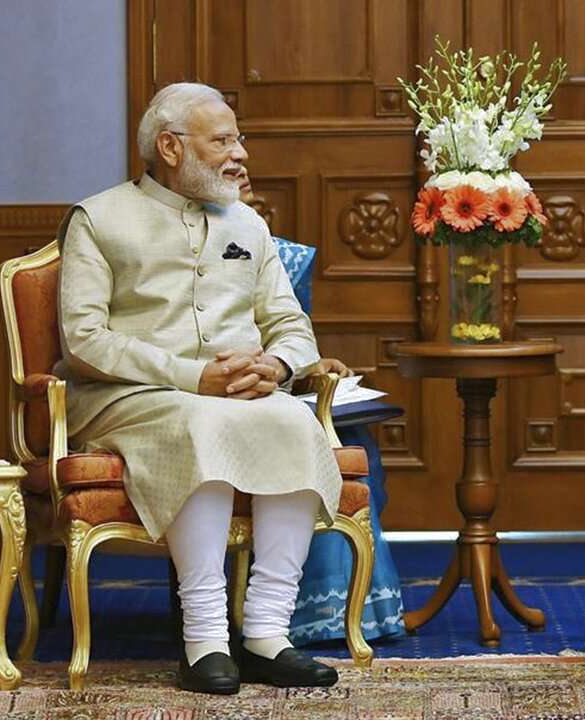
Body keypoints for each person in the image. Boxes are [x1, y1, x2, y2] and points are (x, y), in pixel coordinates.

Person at [55, 82, 350, 695]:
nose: (240, 152)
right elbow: (84, 339)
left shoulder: (249, 224)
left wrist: (277, 367)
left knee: (293, 422)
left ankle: (268, 635)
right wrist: (194, 377)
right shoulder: (98, 218)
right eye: (223, 140)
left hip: (237, 394)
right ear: (170, 146)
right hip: (128, 397)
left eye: (238, 138)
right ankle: (206, 640)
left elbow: (291, 326)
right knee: (201, 423)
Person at [237, 167, 407, 646]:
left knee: (350, 440)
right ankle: (292, 611)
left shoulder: (280, 256)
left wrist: (314, 364)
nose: (242, 166)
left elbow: (291, 334)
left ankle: (344, 609)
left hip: (280, 384)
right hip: (223, 392)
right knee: (316, 437)